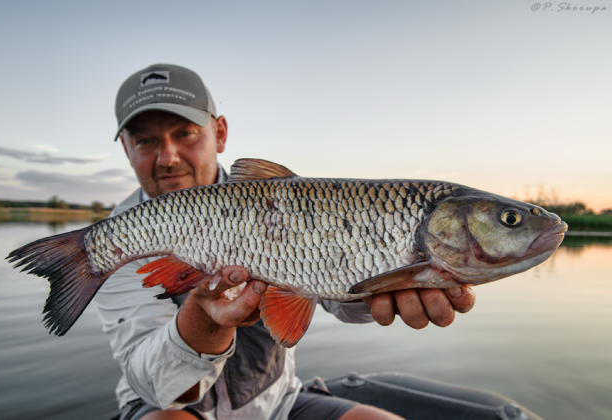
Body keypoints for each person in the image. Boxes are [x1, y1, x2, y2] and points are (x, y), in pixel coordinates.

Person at [95, 64, 476, 420]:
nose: (168, 157)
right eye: (145, 140)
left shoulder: (284, 199)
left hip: (275, 402)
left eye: (185, 133)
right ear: (127, 149)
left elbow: (339, 303)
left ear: (220, 133)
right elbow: (157, 387)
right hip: (165, 407)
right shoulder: (118, 238)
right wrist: (204, 321)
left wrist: (385, 283)